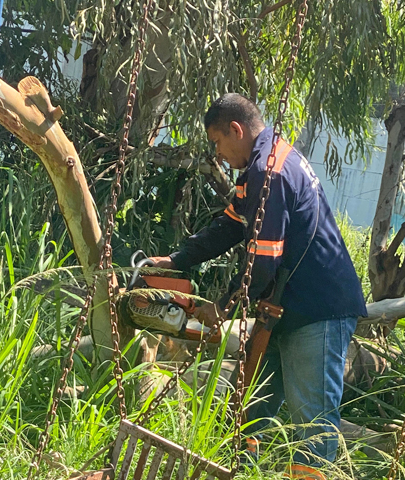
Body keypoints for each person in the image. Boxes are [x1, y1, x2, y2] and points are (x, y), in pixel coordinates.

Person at [149, 93, 366, 478]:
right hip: (284, 308)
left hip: (317, 309)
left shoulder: (272, 171)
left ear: (236, 129)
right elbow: (229, 226)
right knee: (251, 405)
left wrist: (224, 307)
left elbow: (261, 263)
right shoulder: (258, 169)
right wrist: (177, 260)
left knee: (311, 423)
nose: (218, 154)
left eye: (217, 142)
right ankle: (240, 470)